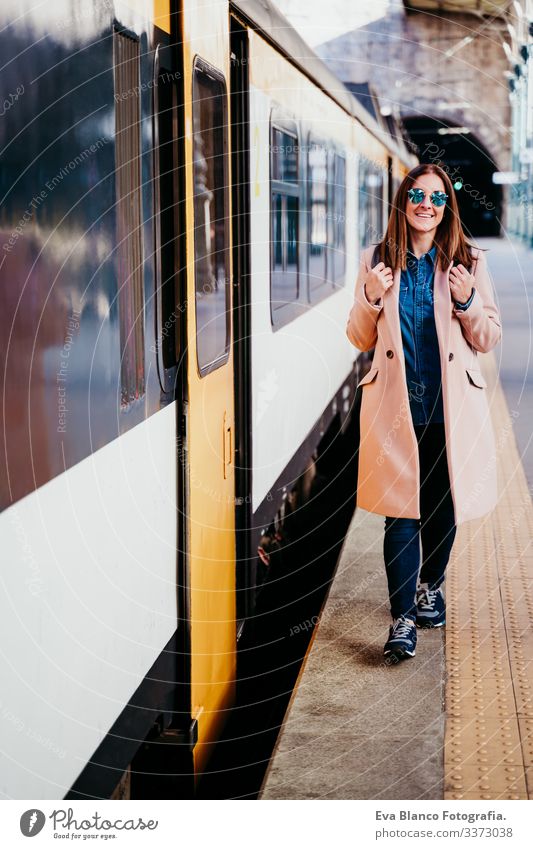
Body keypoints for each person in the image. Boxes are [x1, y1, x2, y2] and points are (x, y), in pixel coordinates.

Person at [346, 163, 502, 663]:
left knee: (442, 504)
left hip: (449, 409)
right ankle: (402, 620)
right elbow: (359, 337)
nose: (426, 205)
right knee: (400, 512)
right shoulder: (376, 261)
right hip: (395, 409)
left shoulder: (468, 261)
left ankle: (430, 586)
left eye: (436, 198)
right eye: (417, 195)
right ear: (404, 200)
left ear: (446, 208)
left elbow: (488, 336)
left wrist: (468, 300)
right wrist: (370, 297)